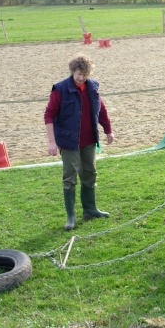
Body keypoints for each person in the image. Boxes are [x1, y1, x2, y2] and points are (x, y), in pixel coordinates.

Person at [44, 54, 114, 230]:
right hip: (68, 142)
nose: (80, 77)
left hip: (89, 140)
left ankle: (90, 209)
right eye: (77, 73)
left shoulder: (93, 88)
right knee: (70, 178)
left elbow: (102, 110)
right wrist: (52, 142)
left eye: (84, 74)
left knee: (90, 173)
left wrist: (108, 131)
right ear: (72, 71)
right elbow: (49, 115)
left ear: (88, 73)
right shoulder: (60, 89)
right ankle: (71, 217)